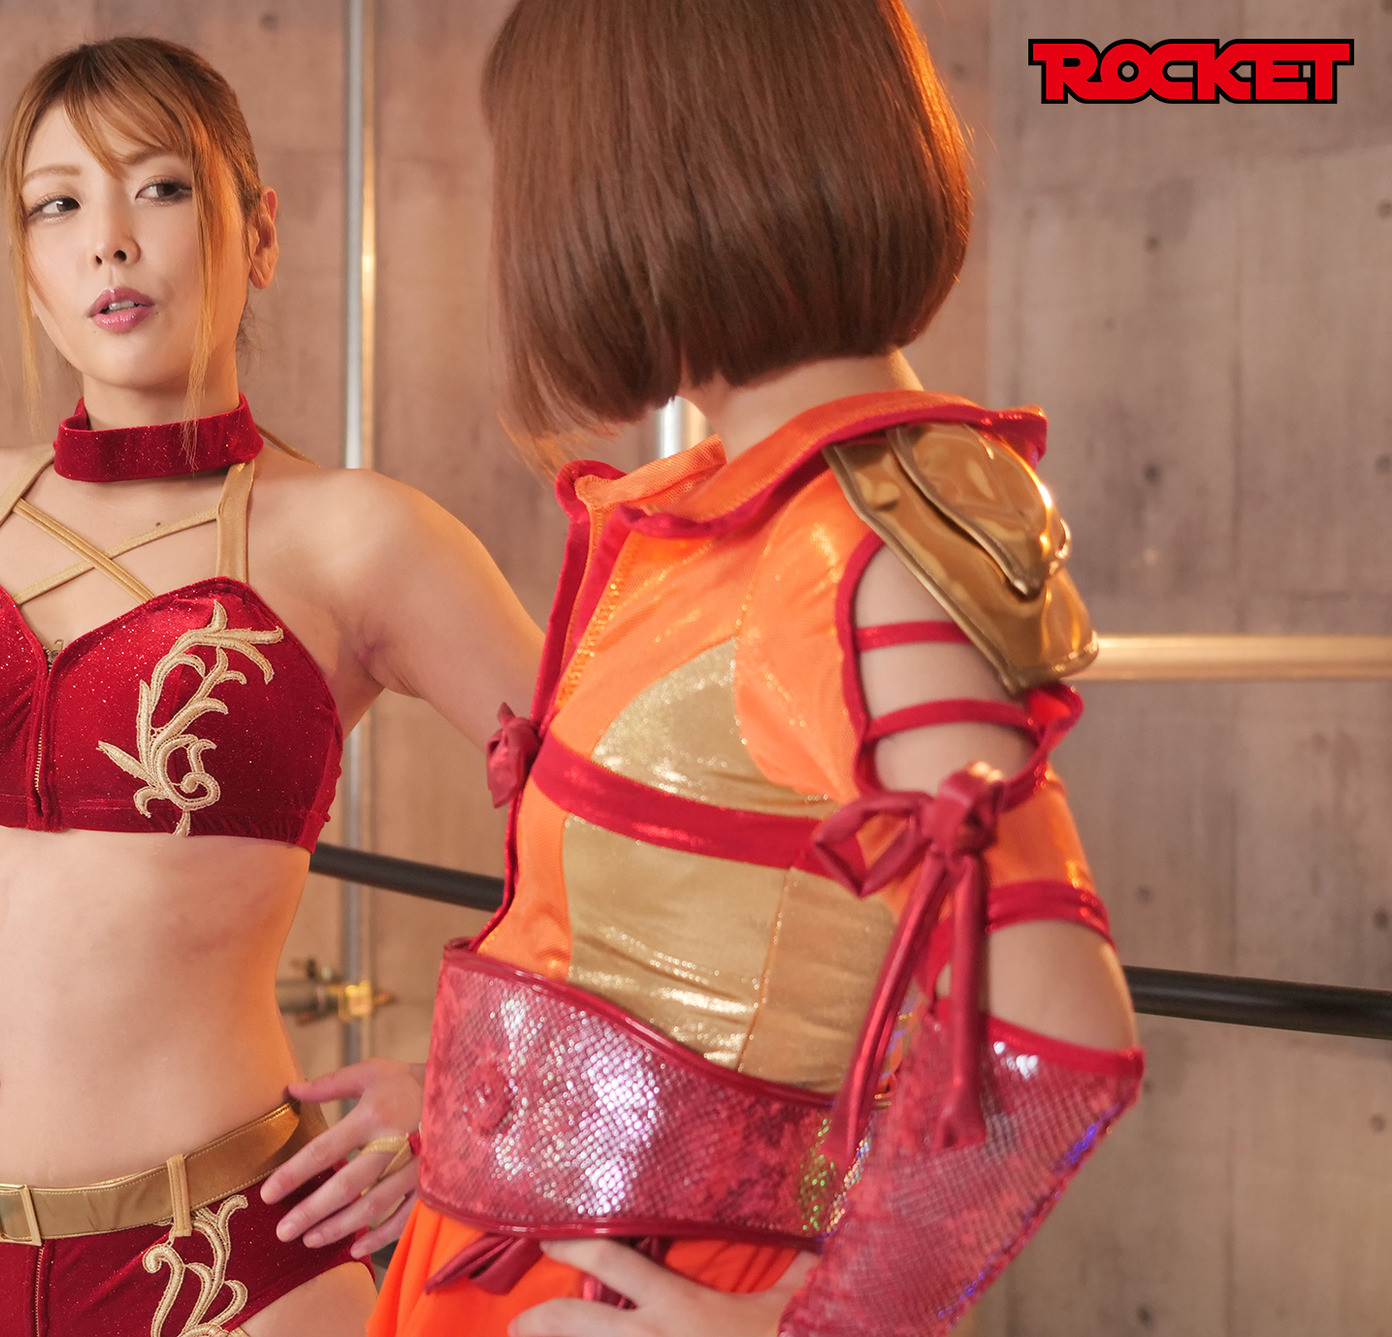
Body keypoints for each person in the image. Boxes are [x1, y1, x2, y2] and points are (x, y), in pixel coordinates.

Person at [0, 37, 540, 1337]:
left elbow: (614, 816)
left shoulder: (359, 537)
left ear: (260, 232)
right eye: (56, 205)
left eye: (161, 188)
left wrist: (471, 1091)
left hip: (227, 1267)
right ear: (28, 266)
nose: (108, 241)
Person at [372, 3, 1143, 1335]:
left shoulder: (862, 543)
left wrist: (815, 1328)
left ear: (628, 183)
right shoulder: (745, 509)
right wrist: (462, 1114)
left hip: (637, 1286)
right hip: (522, 1254)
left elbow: (1057, 1029)